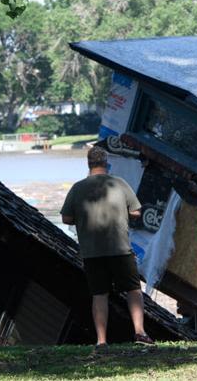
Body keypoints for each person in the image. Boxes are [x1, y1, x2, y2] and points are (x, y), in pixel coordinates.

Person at [60, 146, 154, 349]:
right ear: (106, 163)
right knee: (133, 289)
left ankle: (101, 340)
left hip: (92, 252)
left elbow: (66, 217)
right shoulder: (119, 183)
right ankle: (139, 332)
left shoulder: (77, 187)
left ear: (88, 164)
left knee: (99, 294)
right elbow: (137, 211)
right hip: (120, 248)